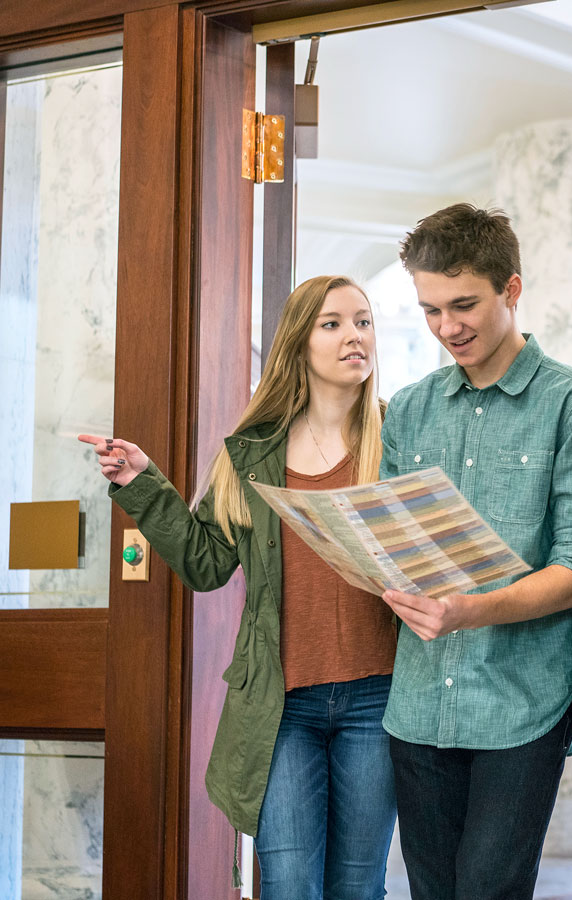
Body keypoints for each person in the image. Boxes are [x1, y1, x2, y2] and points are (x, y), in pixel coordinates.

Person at [78, 275, 397, 900]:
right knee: (286, 885)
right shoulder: (251, 453)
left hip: (379, 700)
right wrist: (143, 482)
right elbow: (205, 563)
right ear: (298, 344)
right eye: (332, 323)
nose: (354, 336)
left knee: (359, 887)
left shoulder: (400, 436)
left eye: (363, 321)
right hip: (280, 707)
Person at [378, 203, 572, 900]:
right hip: (420, 702)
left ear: (510, 290)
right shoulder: (412, 407)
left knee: (488, 891)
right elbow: (394, 545)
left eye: (464, 305)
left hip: (520, 703)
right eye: (429, 310)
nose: (447, 328)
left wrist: (469, 611)